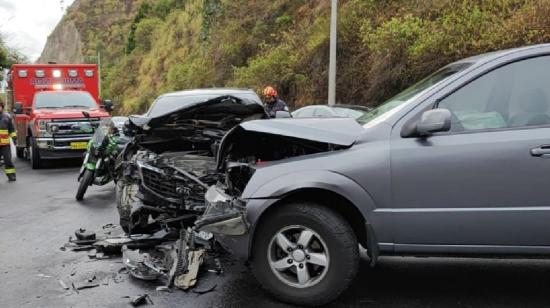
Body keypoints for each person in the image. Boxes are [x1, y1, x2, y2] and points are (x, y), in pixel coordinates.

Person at [0, 101, 16, 181]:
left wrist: (14, 138)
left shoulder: (7, 116)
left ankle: (11, 175)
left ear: (2, 107)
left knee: (8, 161)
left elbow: (11, 129)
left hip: (4, 144)